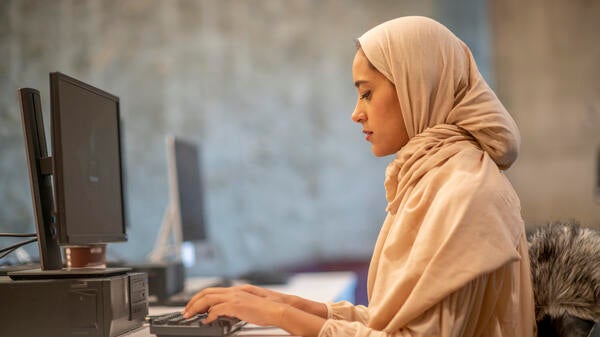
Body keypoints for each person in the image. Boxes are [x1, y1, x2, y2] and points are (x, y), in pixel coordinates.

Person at [183, 16, 536, 337]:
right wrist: (280, 304)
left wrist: (279, 314)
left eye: (366, 93)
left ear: (417, 85)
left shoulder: (465, 190)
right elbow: (393, 321)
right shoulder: (436, 178)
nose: (356, 114)